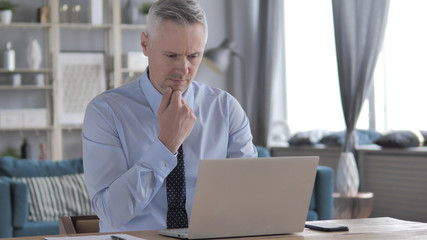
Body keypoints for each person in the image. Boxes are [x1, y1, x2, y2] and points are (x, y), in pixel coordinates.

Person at [82, 0, 257, 233]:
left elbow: (252, 197)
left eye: (194, 56)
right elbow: (111, 212)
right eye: (172, 55)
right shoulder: (105, 113)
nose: (183, 69)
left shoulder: (226, 109)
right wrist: (166, 145)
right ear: (145, 44)